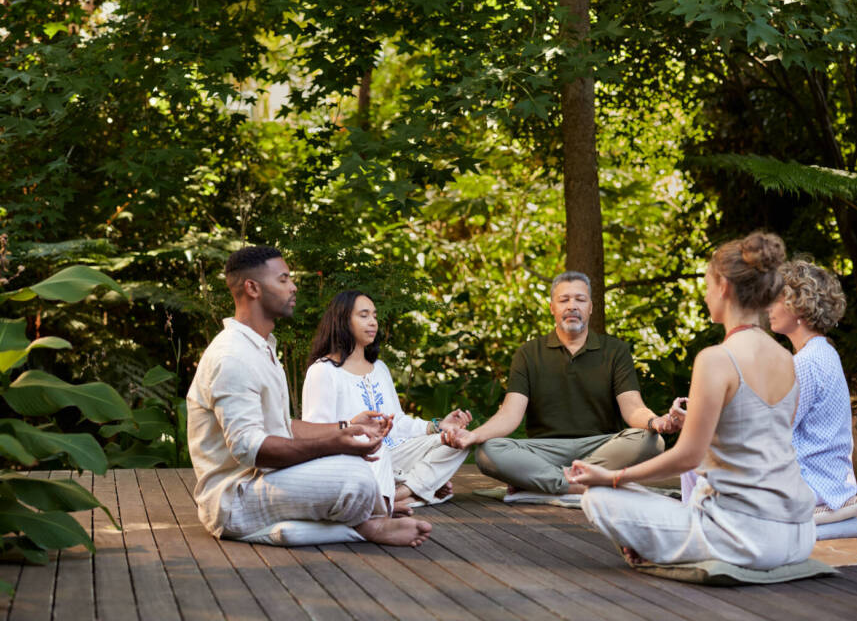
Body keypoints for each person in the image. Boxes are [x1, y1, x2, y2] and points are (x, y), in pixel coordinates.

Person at [566, 233, 816, 569]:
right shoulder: (786, 358)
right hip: (799, 536)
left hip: (744, 538)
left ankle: (660, 548)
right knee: (645, 497)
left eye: (708, 283)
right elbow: (758, 435)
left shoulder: (717, 358)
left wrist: (611, 477)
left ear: (724, 286)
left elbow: (687, 457)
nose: (705, 293)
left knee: (599, 497)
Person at [187, 246, 431, 547]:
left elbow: (282, 425)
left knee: (369, 448)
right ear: (253, 288)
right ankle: (370, 526)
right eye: (283, 279)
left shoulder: (261, 348)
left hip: (268, 481)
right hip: (236, 497)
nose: (293, 286)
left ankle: (355, 519)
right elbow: (250, 449)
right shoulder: (232, 356)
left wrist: (347, 429)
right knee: (355, 476)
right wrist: (333, 444)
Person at [442, 270, 679, 496]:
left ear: (591, 308)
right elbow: (509, 416)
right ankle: (583, 482)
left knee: (650, 440)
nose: (572, 306)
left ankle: (548, 483)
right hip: (544, 451)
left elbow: (633, 408)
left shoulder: (615, 350)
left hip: (602, 447)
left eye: (580, 299)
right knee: (488, 451)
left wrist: (655, 421)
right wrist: (475, 436)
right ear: (552, 308)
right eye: (564, 299)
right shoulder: (528, 353)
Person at [302, 290, 472, 507]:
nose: (373, 322)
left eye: (374, 316)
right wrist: (356, 432)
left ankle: (400, 494)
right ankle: (418, 490)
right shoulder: (323, 371)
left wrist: (438, 426)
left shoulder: (379, 368)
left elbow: (397, 421)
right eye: (364, 315)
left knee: (460, 439)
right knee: (376, 447)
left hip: (396, 453)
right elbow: (317, 433)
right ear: (342, 320)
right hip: (357, 458)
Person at [768, 259, 857, 510]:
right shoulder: (825, 351)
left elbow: (773, 431)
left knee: (702, 465)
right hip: (832, 482)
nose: (768, 307)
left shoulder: (805, 363)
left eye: (775, 299)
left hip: (812, 485)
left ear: (798, 306)